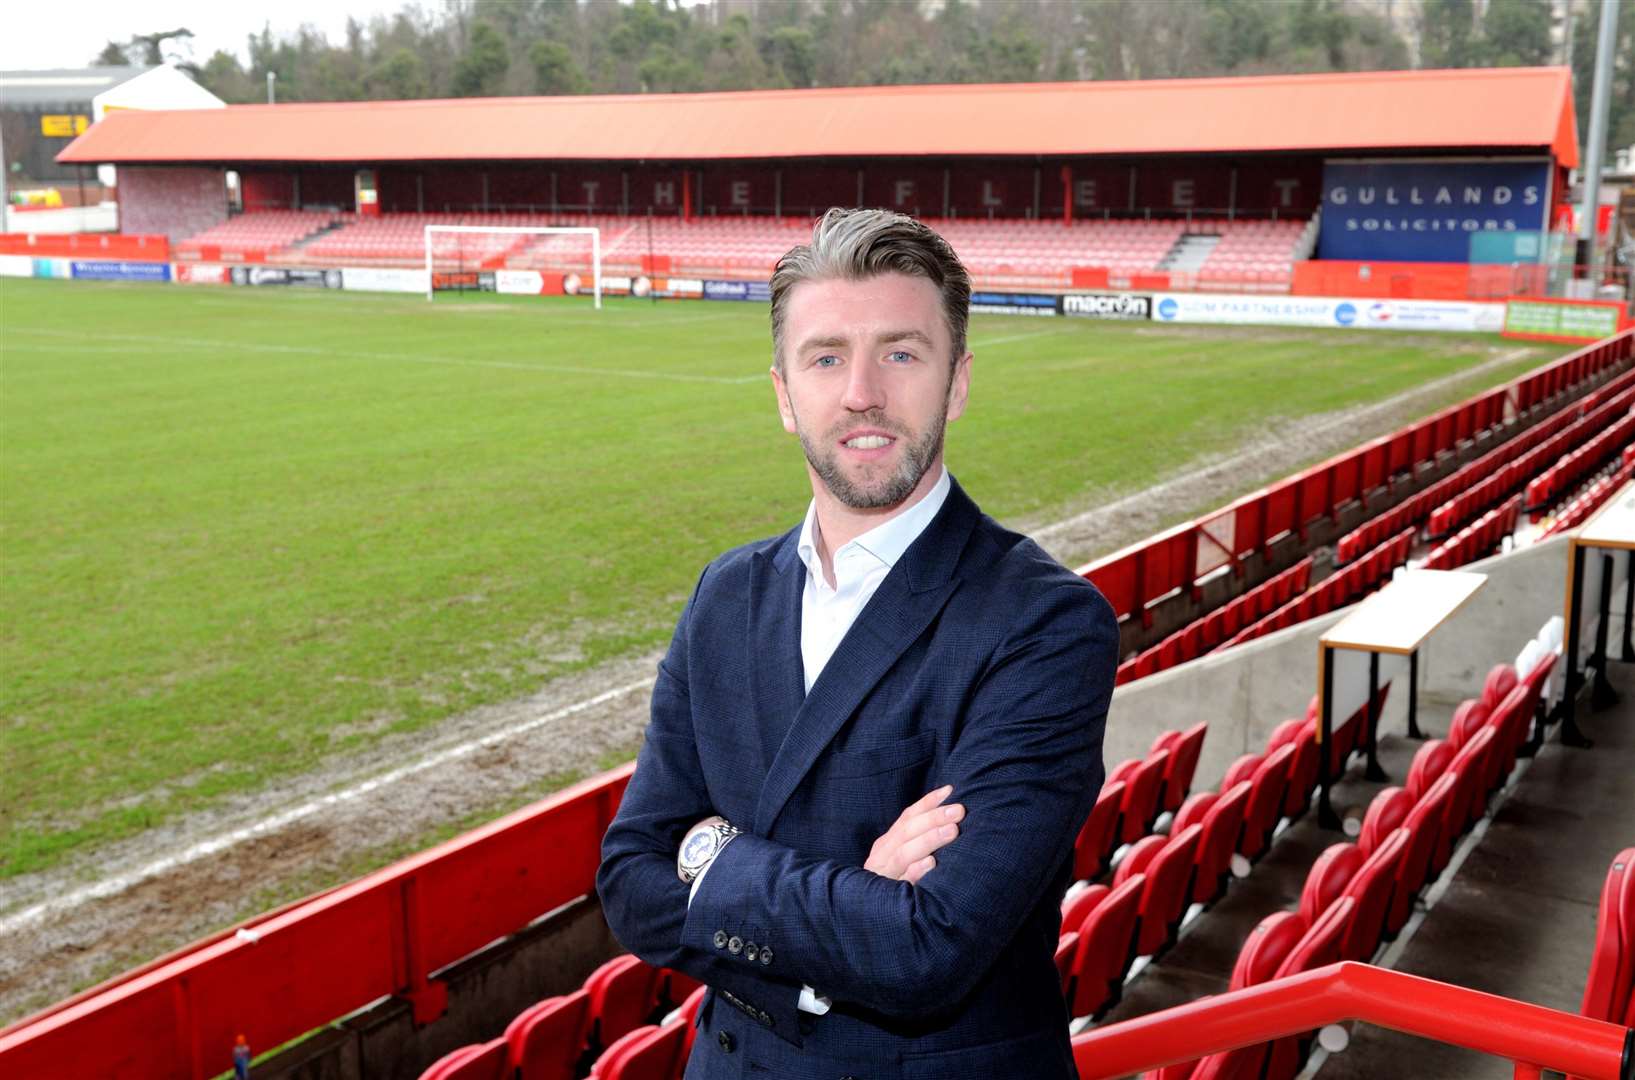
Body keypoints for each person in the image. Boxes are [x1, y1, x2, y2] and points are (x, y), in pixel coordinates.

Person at [597, 207, 1117, 1079]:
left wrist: (711, 858)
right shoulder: (726, 593)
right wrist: (856, 892)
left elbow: (929, 950)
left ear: (956, 382)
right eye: (826, 356)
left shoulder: (1045, 623)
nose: (861, 392)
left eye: (901, 353)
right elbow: (629, 880)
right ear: (783, 395)